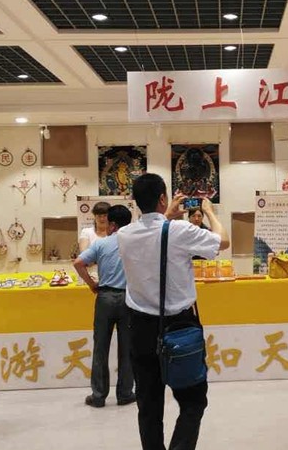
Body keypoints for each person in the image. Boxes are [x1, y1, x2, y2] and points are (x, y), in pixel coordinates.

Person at [118, 174, 229, 450]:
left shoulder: (124, 234)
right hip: (179, 326)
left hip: (140, 327)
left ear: (135, 201)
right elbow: (222, 241)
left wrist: (165, 215)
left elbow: (153, 234)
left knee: (148, 404)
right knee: (193, 400)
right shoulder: (180, 230)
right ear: (162, 198)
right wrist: (209, 212)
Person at [73, 204, 136, 408]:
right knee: (127, 348)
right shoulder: (135, 243)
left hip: (105, 297)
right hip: (128, 299)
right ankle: (125, 393)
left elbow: (78, 263)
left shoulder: (101, 244)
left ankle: (98, 395)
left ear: (113, 225)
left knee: (100, 347)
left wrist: (91, 284)